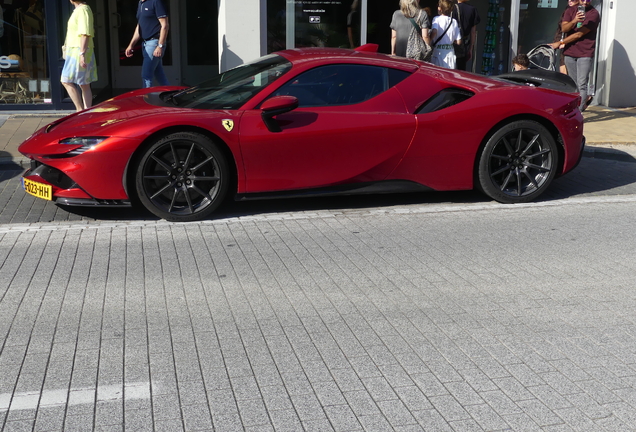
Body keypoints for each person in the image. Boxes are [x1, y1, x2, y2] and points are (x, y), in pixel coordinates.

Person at [551, 0, 600, 111]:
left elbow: (579, 34)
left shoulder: (594, 13)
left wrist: (561, 43)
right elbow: (564, 28)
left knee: (582, 84)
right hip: (570, 53)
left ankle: (578, 111)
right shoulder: (570, 10)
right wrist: (575, 20)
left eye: (588, 0)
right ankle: (573, 109)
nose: (585, 2)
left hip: (585, 53)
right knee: (573, 84)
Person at [61, 0, 97, 112]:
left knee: (66, 80)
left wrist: (82, 53)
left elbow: (85, 33)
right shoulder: (80, 10)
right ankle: (85, 112)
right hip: (76, 50)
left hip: (78, 50)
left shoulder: (83, 9)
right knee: (84, 84)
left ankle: (80, 110)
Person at [125, 0, 170, 88]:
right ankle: (172, 96)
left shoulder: (155, 2)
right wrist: (131, 45)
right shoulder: (141, 3)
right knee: (159, 75)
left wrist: (160, 46)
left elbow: (165, 25)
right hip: (146, 43)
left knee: (146, 76)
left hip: (154, 43)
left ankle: (147, 100)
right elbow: (140, 26)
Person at [430, 0, 461, 69]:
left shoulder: (436, 19)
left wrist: (429, 41)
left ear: (440, 8)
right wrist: (450, 40)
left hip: (438, 53)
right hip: (450, 54)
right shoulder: (454, 21)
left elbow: (434, 31)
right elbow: (459, 41)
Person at [450, 0, 480, 71]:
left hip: (452, 42)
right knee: (461, 69)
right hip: (464, 43)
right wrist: (471, 48)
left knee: (450, 68)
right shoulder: (472, 9)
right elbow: (473, 32)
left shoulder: (451, 9)